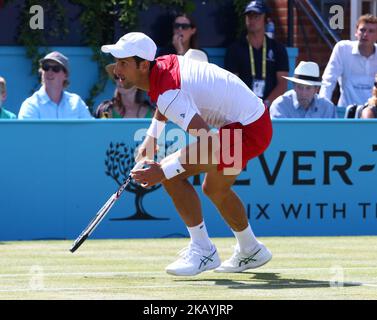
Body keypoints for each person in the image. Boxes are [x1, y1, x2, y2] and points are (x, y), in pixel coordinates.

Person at [101, 32, 273, 276]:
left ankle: (204, 251)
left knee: (170, 175)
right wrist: (151, 138)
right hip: (252, 123)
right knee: (214, 189)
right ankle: (251, 249)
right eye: (116, 62)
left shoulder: (169, 93)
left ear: (143, 65)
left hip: (246, 132)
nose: (116, 69)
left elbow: (210, 143)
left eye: (123, 63)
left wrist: (162, 171)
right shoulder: (162, 66)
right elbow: (166, 102)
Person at [224, 0, 289, 107]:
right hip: (242, 107)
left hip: (271, 107)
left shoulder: (278, 48)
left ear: (266, 19)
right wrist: (249, 106)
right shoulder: (234, 49)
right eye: (249, 16)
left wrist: (265, 104)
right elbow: (232, 84)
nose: (252, 20)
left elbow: (282, 84)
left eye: (257, 16)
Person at [320, 14, 377, 107]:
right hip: (346, 113)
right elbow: (328, 80)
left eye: (371, 31)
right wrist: (322, 108)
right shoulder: (343, 48)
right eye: (362, 30)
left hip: (373, 114)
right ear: (356, 32)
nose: (365, 34)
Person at [18, 51, 93, 119]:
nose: (50, 72)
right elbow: (28, 133)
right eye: (46, 67)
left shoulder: (77, 103)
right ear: (41, 72)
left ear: (65, 75)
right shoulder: (31, 105)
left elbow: (90, 130)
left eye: (56, 68)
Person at [269, 61, 337, 118]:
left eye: (308, 88)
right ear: (294, 86)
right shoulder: (280, 106)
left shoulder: (328, 108)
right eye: (300, 87)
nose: (303, 93)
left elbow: (335, 133)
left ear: (316, 89)